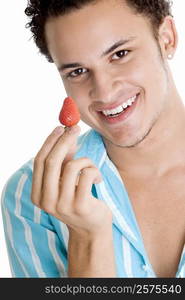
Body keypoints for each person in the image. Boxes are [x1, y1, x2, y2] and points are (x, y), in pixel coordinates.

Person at [1, 0, 185, 278]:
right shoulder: (30, 196)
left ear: (166, 38)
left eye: (120, 54)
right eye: (77, 72)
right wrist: (88, 240)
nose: (104, 92)